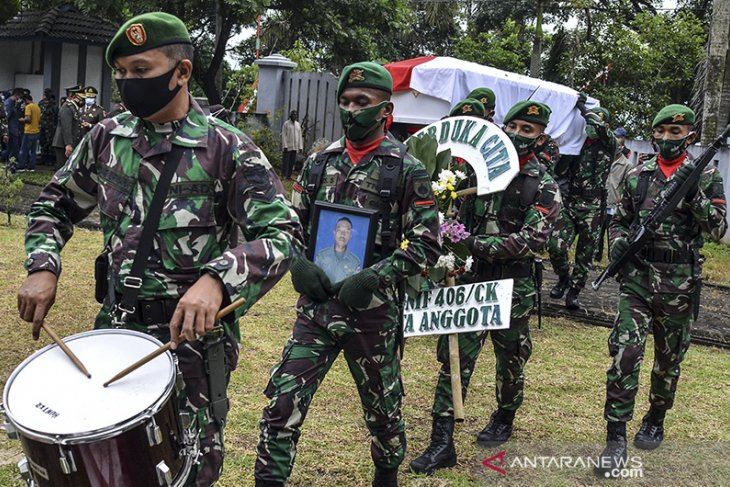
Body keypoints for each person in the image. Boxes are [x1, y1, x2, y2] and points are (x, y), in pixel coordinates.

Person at [16, 12, 303, 487]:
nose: (129, 84)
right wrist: (43, 266)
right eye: (122, 74)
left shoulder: (227, 149)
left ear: (181, 72)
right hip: (116, 331)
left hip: (188, 341)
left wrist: (217, 279)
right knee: (105, 466)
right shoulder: (108, 138)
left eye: (141, 71)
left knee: (186, 466)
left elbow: (282, 234)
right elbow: (55, 203)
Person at [254, 61, 441, 487]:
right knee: (283, 403)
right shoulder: (319, 162)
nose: (352, 110)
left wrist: (377, 275)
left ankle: (386, 475)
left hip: (373, 315)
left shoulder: (407, 170)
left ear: (384, 110)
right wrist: (298, 264)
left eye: (363, 102)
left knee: (383, 411)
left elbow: (426, 242)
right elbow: (291, 227)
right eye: (346, 101)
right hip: (318, 310)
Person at [409, 100, 561, 476]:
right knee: (454, 357)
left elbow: (532, 240)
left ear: (540, 137)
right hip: (471, 280)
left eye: (529, 130)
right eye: (515, 127)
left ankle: (504, 415)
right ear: (501, 127)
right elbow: (451, 215)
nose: (520, 135)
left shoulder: (543, 185)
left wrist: (472, 244)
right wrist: (447, 242)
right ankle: (441, 441)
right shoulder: (474, 174)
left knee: (511, 357)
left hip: (514, 283)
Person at [595, 104, 727, 477]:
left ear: (690, 135)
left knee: (668, 362)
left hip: (679, 284)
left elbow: (718, 229)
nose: (668, 139)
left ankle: (655, 416)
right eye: (662, 132)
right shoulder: (639, 174)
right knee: (625, 353)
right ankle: (615, 438)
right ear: (652, 134)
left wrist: (692, 195)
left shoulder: (707, 177)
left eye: (676, 132)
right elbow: (619, 219)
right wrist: (618, 242)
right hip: (637, 278)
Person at [548, 99, 617, 309]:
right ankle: (563, 278)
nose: (591, 129)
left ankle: (574, 291)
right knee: (556, 245)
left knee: (584, 255)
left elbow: (600, 127)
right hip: (570, 202)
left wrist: (582, 108)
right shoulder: (573, 143)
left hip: (593, 207)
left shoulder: (609, 144)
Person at [314, 216, 362, 283]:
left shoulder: (355, 262)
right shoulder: (321, 256)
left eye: (347, 231)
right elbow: (314, 280)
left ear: (351, 236)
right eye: (339, 230)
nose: (343, 234)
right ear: (334, 233)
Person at [51, 84, 83, 168]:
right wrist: (68, 144)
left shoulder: (73, 107)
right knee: (63, 168)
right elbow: (66, 127)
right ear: (73, 96)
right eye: (80, 96)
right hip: (63, 144)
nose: (83, 98)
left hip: (67, 143)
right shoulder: (66, 108)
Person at [15, 93, 41, 172]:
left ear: (26, 100)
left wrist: (20, 119)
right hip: (36, 131)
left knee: (24, 150)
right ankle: (31, 167)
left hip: (28, 131)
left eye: (23, 101)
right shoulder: (37, 107)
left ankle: (21, 166)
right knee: (33, 151)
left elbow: (28, 119)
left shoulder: (28, 107)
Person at [1, 88, 24, 161]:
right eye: (20, 96)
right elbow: (5, 118)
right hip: (11, 130)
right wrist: (5, 132)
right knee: (14, 150)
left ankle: (11, 166)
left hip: (14, 130)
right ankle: (12, 167)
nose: (20, 98)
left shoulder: (13, 103)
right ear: (17, 95)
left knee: (12, 150)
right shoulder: (9, 103)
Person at [38, 88, 58, 166]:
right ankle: (44, 158)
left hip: (50, 126)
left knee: (49, 143)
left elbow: (56, 114)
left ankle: (50, 159)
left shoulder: (53, 104)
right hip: (44, 126)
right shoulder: (42, 103)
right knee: (43, 142)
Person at [281, 109, 303, 180]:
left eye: (295, 115)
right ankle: (284, 175)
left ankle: (288, 176)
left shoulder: (298, 124)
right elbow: (284, 135)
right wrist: (285, 145)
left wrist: (300, 147)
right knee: (286, 162)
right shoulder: (286, 124)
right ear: (290, 116)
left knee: (292, 162)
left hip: (295, 147)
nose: (294, 116)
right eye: (293, 115)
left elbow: (300, 136)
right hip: (287, 146)